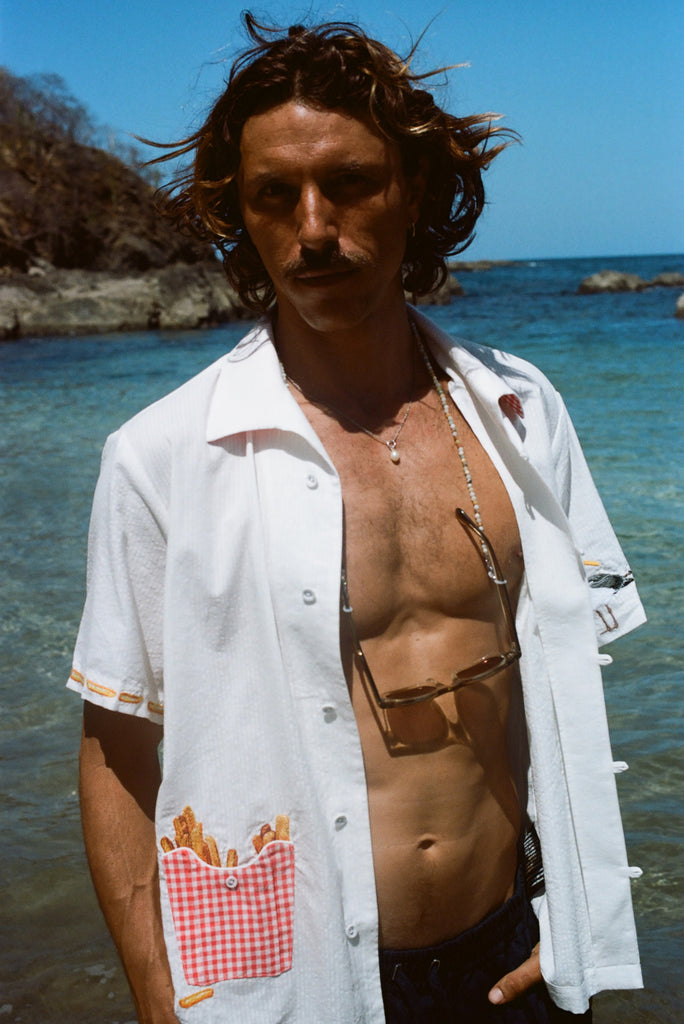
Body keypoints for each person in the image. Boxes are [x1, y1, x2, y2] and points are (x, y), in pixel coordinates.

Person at [69, 15, 646, 1024]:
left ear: (412, 190)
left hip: (512, 952)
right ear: (237, 215)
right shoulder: (161, 457)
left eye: (349, 183)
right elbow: (118, 746)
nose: (313, 226)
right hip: (287, 977)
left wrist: (579, 915)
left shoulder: (521, 412)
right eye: (272, 195)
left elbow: (564, 687)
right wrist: (162, 1000)